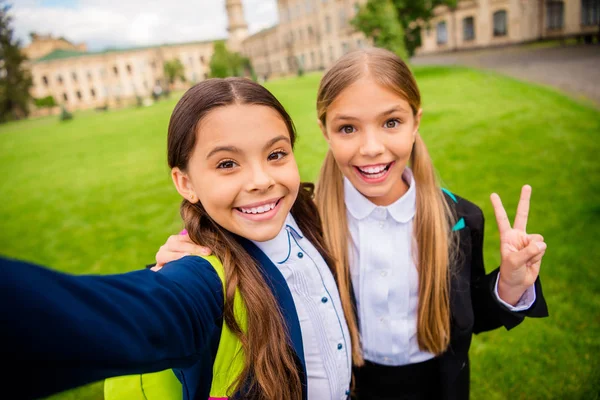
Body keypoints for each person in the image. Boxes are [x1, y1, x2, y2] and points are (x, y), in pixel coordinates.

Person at [154, 48, 549, 400]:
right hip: (354, 384)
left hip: (439, 384)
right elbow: (239, 229)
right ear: (325, 131)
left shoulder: (460, 218)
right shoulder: (305, 219)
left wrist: (509, 286)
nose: (371, 147)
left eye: (391, 123)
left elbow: (468, 316)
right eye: (348, 128)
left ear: (415, 122)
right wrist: (191, 247)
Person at [0, 78, 353, 400]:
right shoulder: (202, 278)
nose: (260, 180)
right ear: (185, 182)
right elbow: (124, 317)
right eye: (227, 164)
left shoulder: (311, 213)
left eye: (276, 154)